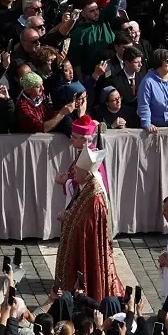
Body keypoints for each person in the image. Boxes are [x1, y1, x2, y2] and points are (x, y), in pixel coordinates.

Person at [56, 115, 123, 300]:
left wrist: (67, 214)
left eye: (75, 136)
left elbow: (84, 215)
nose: (71, 139)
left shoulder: (94, 190)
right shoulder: (85, 159)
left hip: (87, 234)